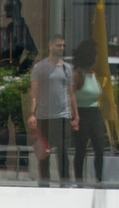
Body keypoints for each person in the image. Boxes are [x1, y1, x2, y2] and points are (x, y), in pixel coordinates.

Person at [30, 38, 73, 182]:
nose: (62, 48)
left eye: (63, 45)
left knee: (63, 152)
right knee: (44, 153)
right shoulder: (40, 67)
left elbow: (71, 93)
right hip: (44, 115)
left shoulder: (67, 68)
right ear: (50, 46)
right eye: (58, 45)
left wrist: (75, 115)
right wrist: (32, 114)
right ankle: (44, 183)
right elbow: (34, 93)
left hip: (63, 115)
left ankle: (65, 182)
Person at [70, 39, 108, 182]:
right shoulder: (78, 74)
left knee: (99, 147)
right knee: (81, 149)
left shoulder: (94, 74)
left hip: (95, 112)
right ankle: (79, 180)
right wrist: (75, 116)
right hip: (82, 112)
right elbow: (71, 94)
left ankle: (99, 178)